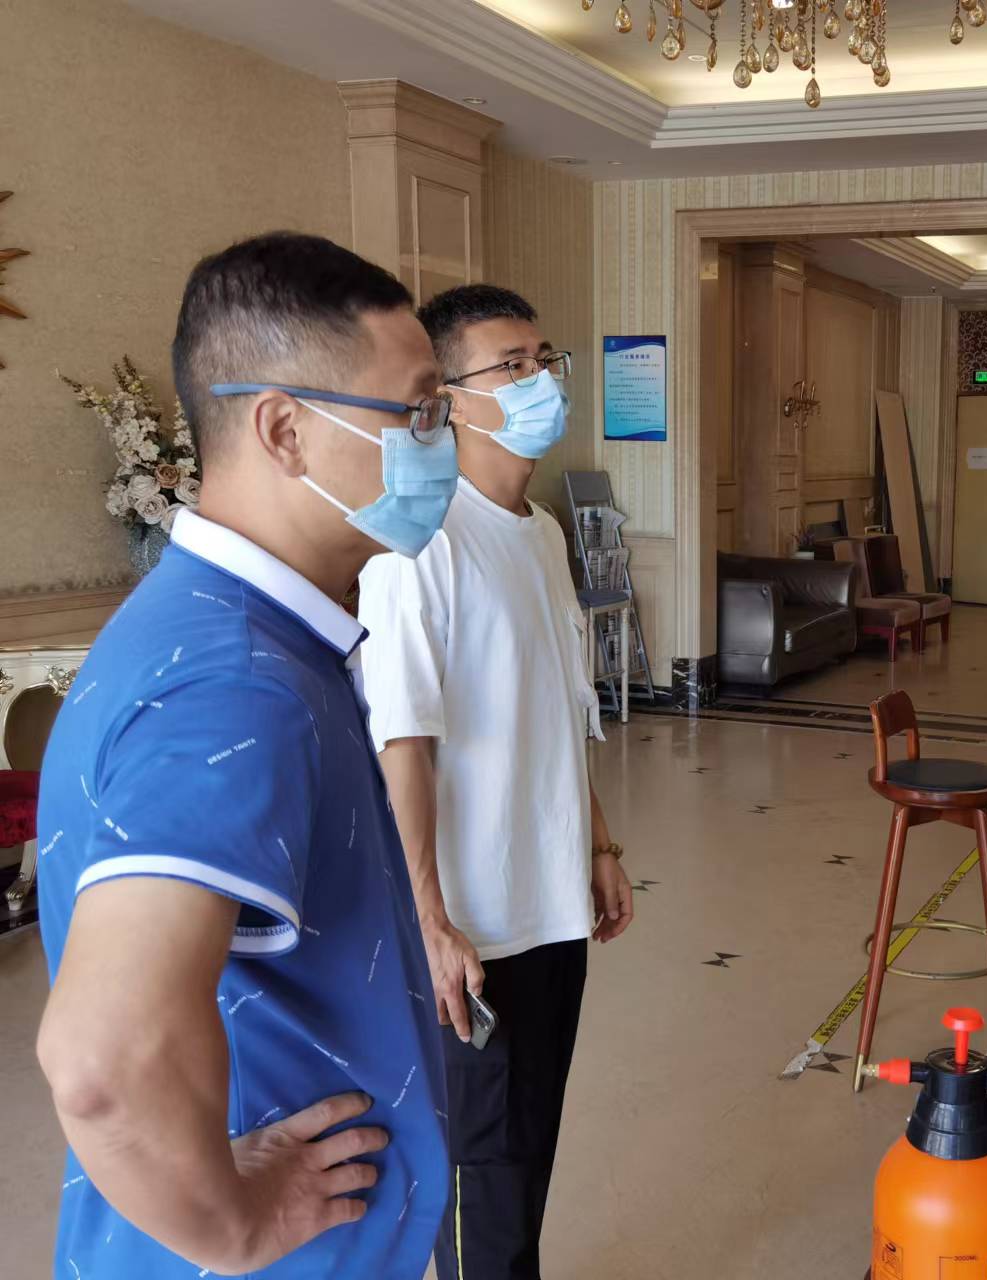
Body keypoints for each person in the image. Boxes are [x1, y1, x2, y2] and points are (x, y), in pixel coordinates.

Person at [33, 232, 459, 1278]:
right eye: (416, 413)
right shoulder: (240, 683)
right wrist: (234, 1224)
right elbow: (100, 1056)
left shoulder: (214, 624)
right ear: (285, 429)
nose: (439, 443)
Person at [357, 283, 635, 1279]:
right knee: (484, 1177)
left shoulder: (542, 534)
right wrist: (429, 920)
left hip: (551, 905)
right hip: (474, 929)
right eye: (510, 365)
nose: (539, 382)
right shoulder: (419, 546)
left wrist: (596, 843)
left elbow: (558, 709)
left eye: (543, 359)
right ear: (451, 398)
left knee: (528, 1153)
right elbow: (402, 744)